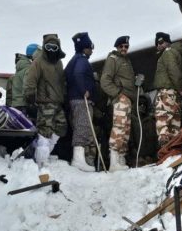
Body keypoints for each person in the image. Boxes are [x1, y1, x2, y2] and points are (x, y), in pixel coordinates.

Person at [24, 34, 67, 169]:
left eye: (54, 47)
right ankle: (41, 161)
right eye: (48, 47)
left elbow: (62, 82)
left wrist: (64, 96)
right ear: (44, 47)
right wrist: (30, 96)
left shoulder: (59, 62)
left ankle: (46, 152)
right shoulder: (39, 61)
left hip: (58, 102)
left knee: (61, 127)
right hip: (45, 102)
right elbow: (31, 80)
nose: (51, 50)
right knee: (45, 130)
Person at [100, 36, 136, 172]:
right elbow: (105, 80)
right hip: (120, 99)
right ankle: (114, 162)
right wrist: (118, 94)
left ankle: (121, 159)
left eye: (126, 46)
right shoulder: (113, 59)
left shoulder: (126, 61)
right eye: (121, 46)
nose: (124, 49)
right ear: (117, 47)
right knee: (119, 128)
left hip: (128, 100)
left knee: (125, 131)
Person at [65, 32, 97, 172]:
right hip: (80, 99)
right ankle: (78, 160)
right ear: (85, 48)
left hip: (73, 99)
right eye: (91, 47)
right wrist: (84, 89)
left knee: (81, 126)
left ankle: (82, 159)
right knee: (83, 127)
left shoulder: (73, 60)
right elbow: (78, 74)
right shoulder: (82, 60)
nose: (92, 50)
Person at [153, 32, 182, 148]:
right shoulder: (178, 54)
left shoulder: (168, 53)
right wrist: (180, 90)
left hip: (167, 92)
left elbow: (173, 71)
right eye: (157, 43)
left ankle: (165, 152)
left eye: (162, 42)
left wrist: (179, 88)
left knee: (162, 122)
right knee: (174, 126)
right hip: (175, 95)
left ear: (168, 42)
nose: (159, 45)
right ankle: (173, 153)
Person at [6, 44, 40, 112]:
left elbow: (9, 93)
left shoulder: (19, 71)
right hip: (25, 105)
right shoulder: (29, 69)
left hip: (16, 105)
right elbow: (28, 89)